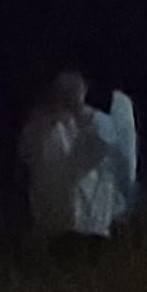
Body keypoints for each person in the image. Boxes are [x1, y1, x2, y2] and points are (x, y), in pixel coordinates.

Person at [17, 66, 137, 242]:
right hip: (56, 230)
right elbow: (30, 152)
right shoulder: (42, 129)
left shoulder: (86, 126)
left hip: (91, 230)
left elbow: (108, 141)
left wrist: (80, 110)